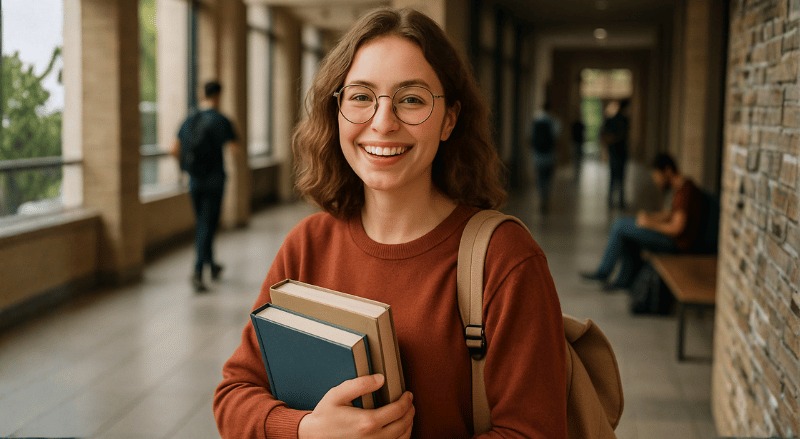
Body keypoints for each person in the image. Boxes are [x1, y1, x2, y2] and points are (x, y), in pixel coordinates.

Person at [214, 8, 567, 438]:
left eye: (411, 99)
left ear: (449, 120)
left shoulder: (505, 258)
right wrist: (306, 430)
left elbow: (534, 431)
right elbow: (235, 394)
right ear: (338, 110)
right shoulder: (308, 244)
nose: (383, 123)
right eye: (361, 96)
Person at [580, 153, 704, 290]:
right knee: (626, 227)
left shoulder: (685, 192)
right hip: (673, 239)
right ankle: (622, 280)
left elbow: (677, 228)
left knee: (620, 226)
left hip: (676, 244)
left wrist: (650, 224)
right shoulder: (682, 188)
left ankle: (604, 272)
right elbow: (671, 215)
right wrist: (649, 217)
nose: (656, 181)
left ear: (667, 171)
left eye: (657, 176)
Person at [170, 81, 239, 292]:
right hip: (215, 181)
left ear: (202, 94)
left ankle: (212, 265)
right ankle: (198, 271)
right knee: (206, 224)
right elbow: (235, 150)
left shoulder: (190, 120)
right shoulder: (221, 120)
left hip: (195, 181)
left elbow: (173, 149)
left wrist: (184, 171)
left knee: (203, 221)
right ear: (219, 95)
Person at [530, 100, 560, 214]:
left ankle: (541, 196)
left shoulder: (536, 121)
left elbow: (530, 137)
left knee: (539, 178)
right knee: (548, 179)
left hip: (537, 156)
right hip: (549, 155)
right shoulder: (553, 121)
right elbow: (556, 138)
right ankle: (545, 197)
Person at [601, 99, 630, 209]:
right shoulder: (623, 120)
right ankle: (620, 201)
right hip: (620, 152)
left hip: (614, 152)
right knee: (620, 177)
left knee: (613, 177)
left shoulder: (612, 120)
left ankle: (611, 200)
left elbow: (604, 134)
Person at [570, 114, 585, 182]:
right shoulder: (579, 125)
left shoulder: (576, 125)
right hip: (578, 142)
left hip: (576, 142)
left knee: (576, 157)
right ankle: (577, 169)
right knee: (577, 157)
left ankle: (576, 169)